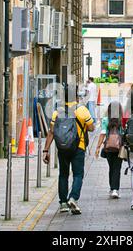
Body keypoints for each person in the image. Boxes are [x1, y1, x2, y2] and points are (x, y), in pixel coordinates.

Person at [43, 85, 95, 215]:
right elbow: (92, 128)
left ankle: (63, 203)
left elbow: (51, 132)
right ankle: (73, 198)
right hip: (79, 147)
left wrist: (46, 150)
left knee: (63, 174)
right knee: (78, 174)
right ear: (76, 96)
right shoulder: (82, 110)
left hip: (62, 148)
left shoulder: (57, 112)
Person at [95, 102, 125, 199]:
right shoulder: (122, 121)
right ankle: (115, 189)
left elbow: (102, 134)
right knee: (117, 168)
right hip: (119, 148)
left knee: (111, 168)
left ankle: (112, 188)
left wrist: (98, 147)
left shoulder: (105, 120)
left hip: (108, 148)